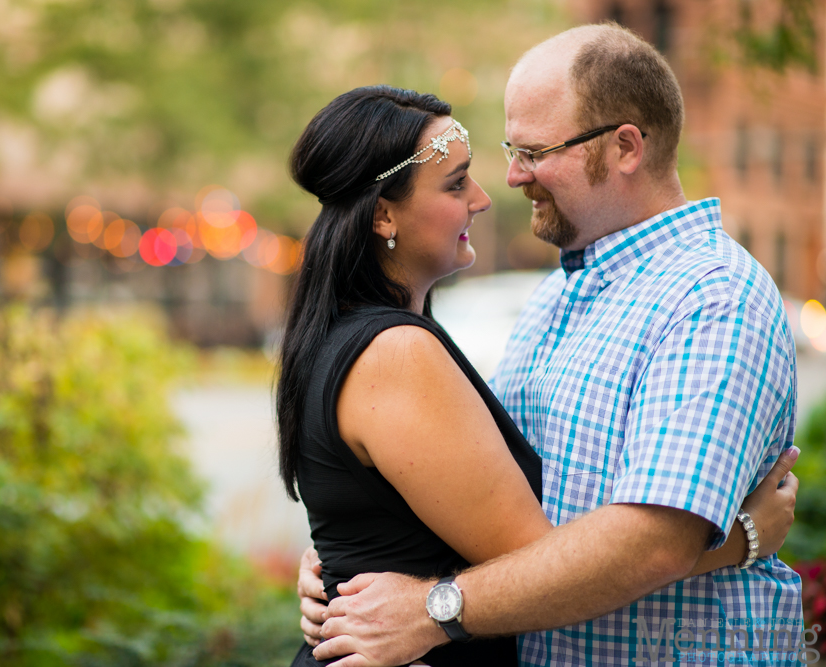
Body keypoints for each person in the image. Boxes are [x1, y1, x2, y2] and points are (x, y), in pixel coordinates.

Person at [301, 24, 804, 667]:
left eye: (535, 151)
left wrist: (432, 608)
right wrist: (347, 560)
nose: (510, 178)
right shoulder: (556, 297)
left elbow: (652, 544)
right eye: (511, 150)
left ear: (625, 147)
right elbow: (468, 498)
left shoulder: (711, 297)